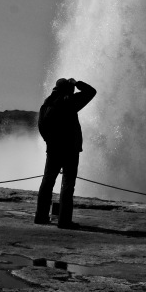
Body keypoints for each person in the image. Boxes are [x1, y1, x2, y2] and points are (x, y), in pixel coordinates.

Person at [34, 78, 97, 229]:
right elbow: (91, 92)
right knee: (68, 184)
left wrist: (50, 142)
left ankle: (41, 216)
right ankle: (64, 221)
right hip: (70, 150)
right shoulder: (69, 102)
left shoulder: (46, 105)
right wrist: (77, 83)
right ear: (68, 89)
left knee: (47, 182)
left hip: (53, 149)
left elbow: (41, 127)